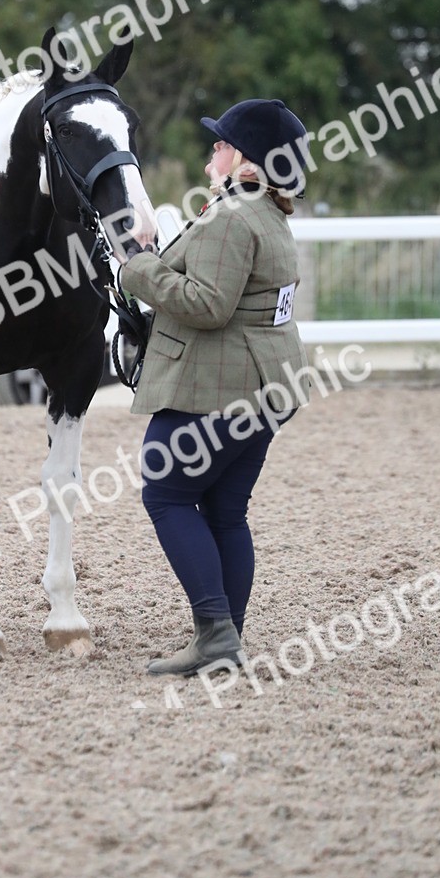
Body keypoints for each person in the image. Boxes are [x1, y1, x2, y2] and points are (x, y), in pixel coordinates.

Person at [119, 98, 310, 676]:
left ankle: (215, 632)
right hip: (264, 389)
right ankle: (227, 635)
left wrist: (138, 267)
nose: (212, 156)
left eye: (221, 145)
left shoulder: (232, 218)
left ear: (247, 160)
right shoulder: (267, 216)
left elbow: (208, 304)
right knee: (226, 511)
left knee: (166, 494)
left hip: (217, 391)